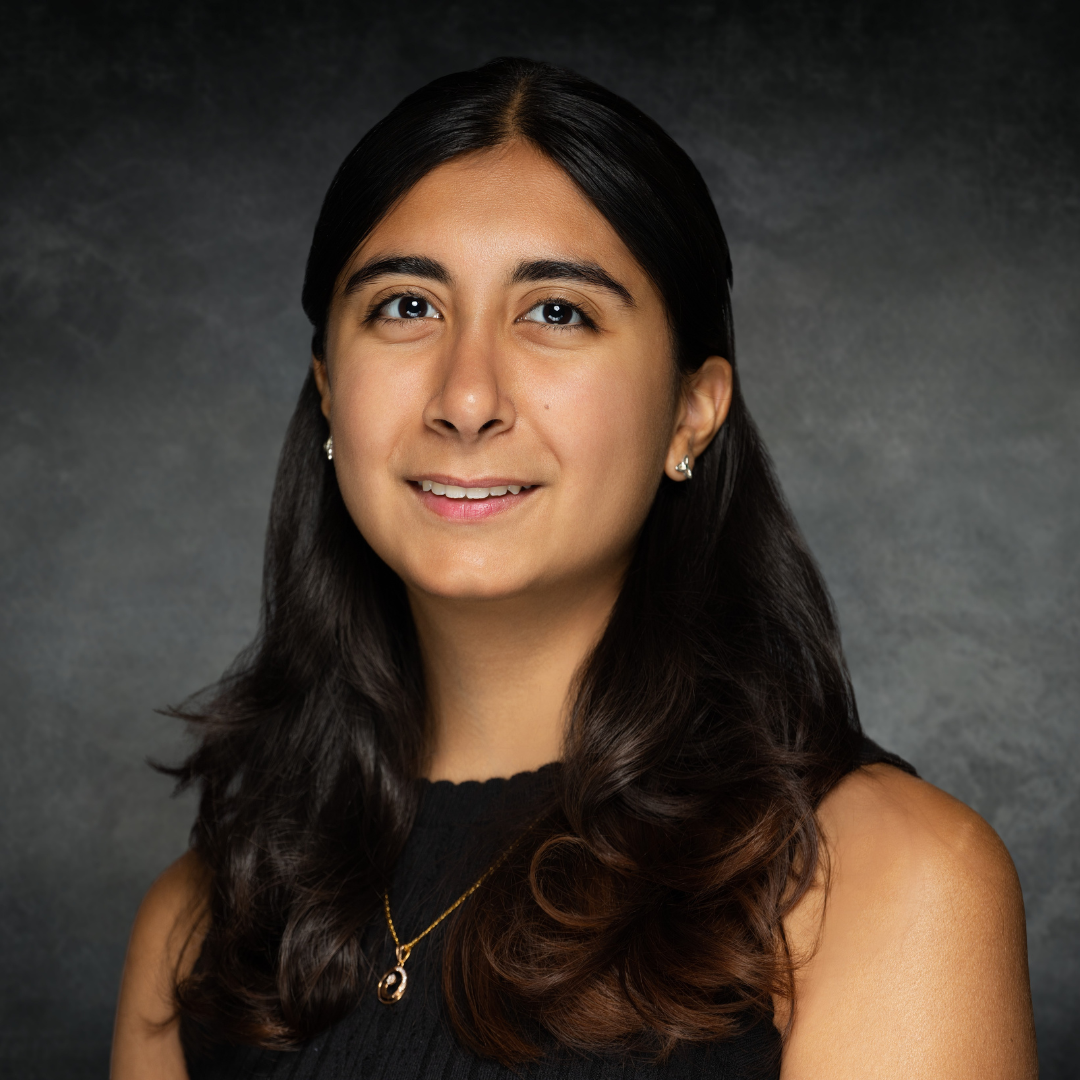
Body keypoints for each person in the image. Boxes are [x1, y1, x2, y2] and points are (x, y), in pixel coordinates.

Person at [110, 58, 1037, 1079]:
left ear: (693, 411)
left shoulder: (886, 880)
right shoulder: (198, 928)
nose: (467, 398)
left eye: (557, 312)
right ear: (330, 390)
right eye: (406, 307)